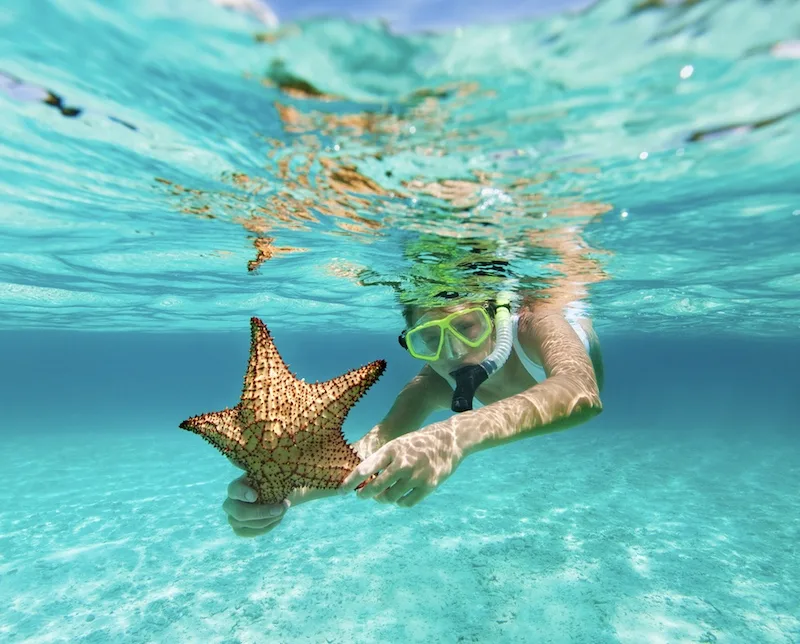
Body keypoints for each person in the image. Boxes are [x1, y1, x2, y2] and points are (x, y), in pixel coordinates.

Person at [223, 288, 604, 538]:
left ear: (497, 318)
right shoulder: (434, 384)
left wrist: (450, 436)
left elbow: (581, 390)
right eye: (429, 337)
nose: (452, 351)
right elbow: (371, 446)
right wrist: (279, 495)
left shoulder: (535, 324)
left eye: (467, 326)